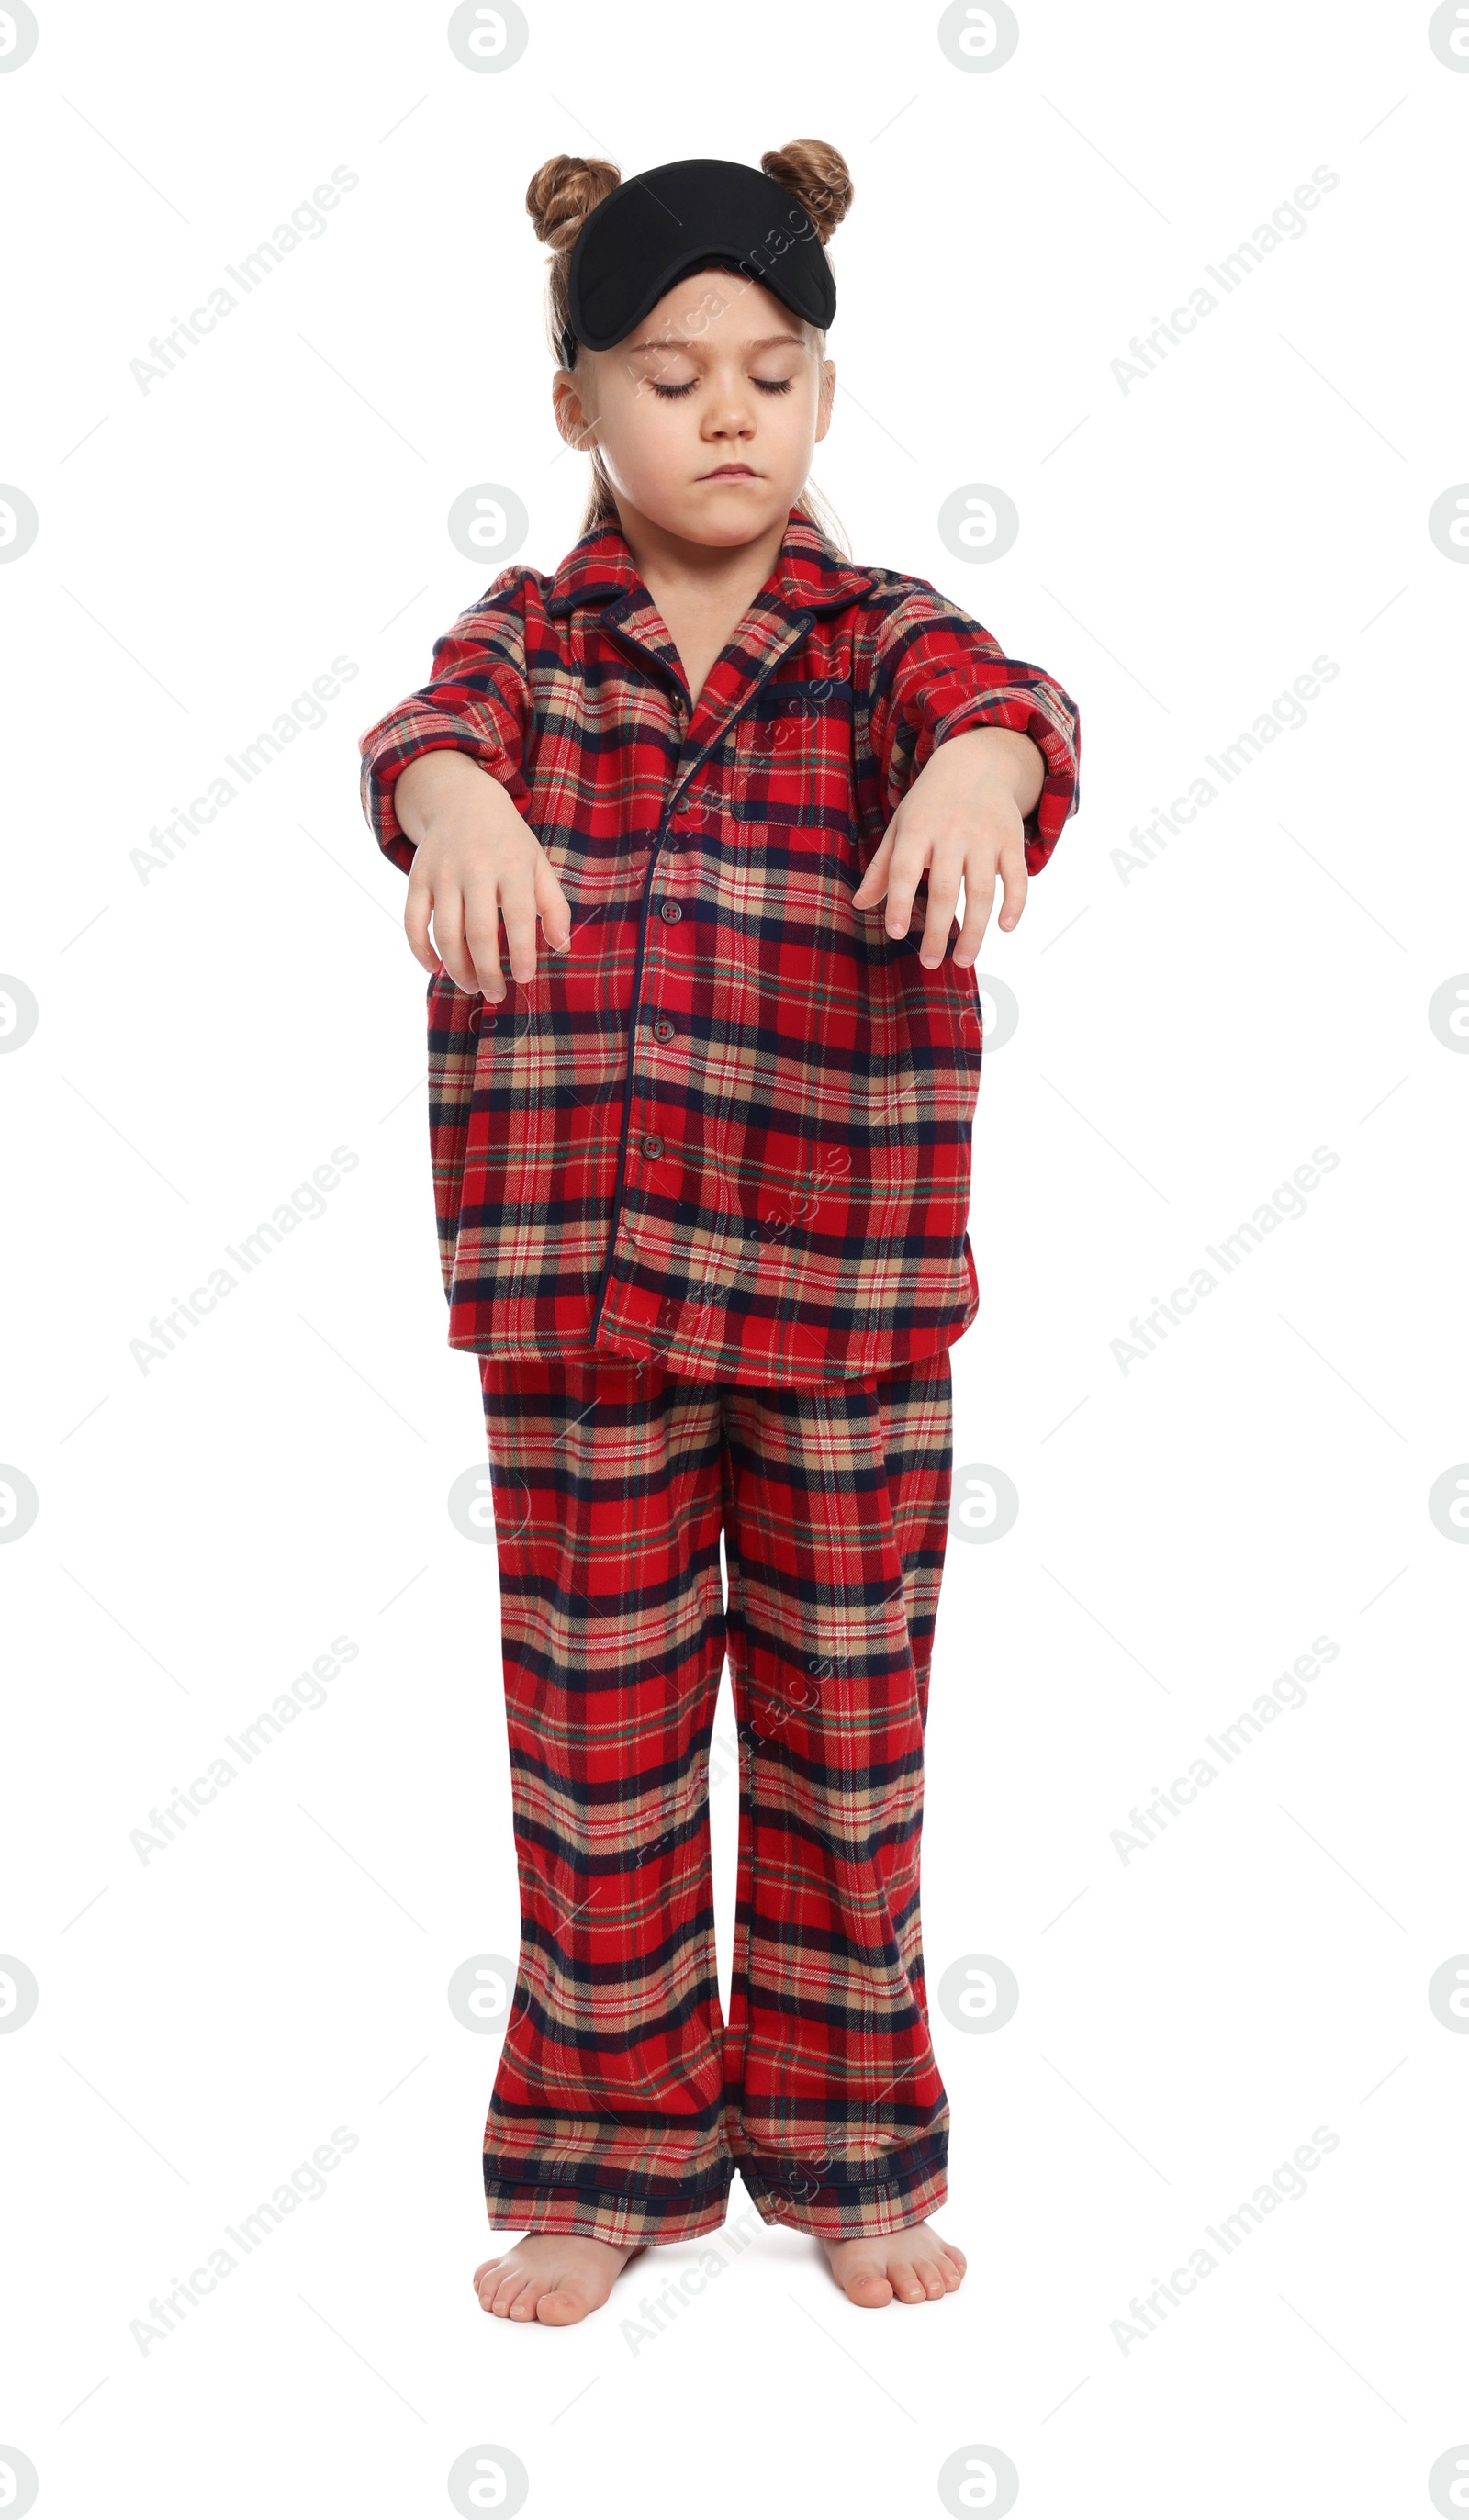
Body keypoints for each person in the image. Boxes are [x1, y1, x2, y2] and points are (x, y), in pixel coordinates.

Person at [357, 141, 1081, 2326]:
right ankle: (606, 2149)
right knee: (594, 1744)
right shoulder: (526, 642)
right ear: (578, 402)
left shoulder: (879, 640)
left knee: (849, 1739)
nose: (727, 410)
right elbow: (415, 732)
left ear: (825, 400)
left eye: (772, 368)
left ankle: (849, 2142)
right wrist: (454, 798)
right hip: (576, 1285)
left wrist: (978, 775)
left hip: (842, 1281)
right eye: (668, 372)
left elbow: (1012, 706)